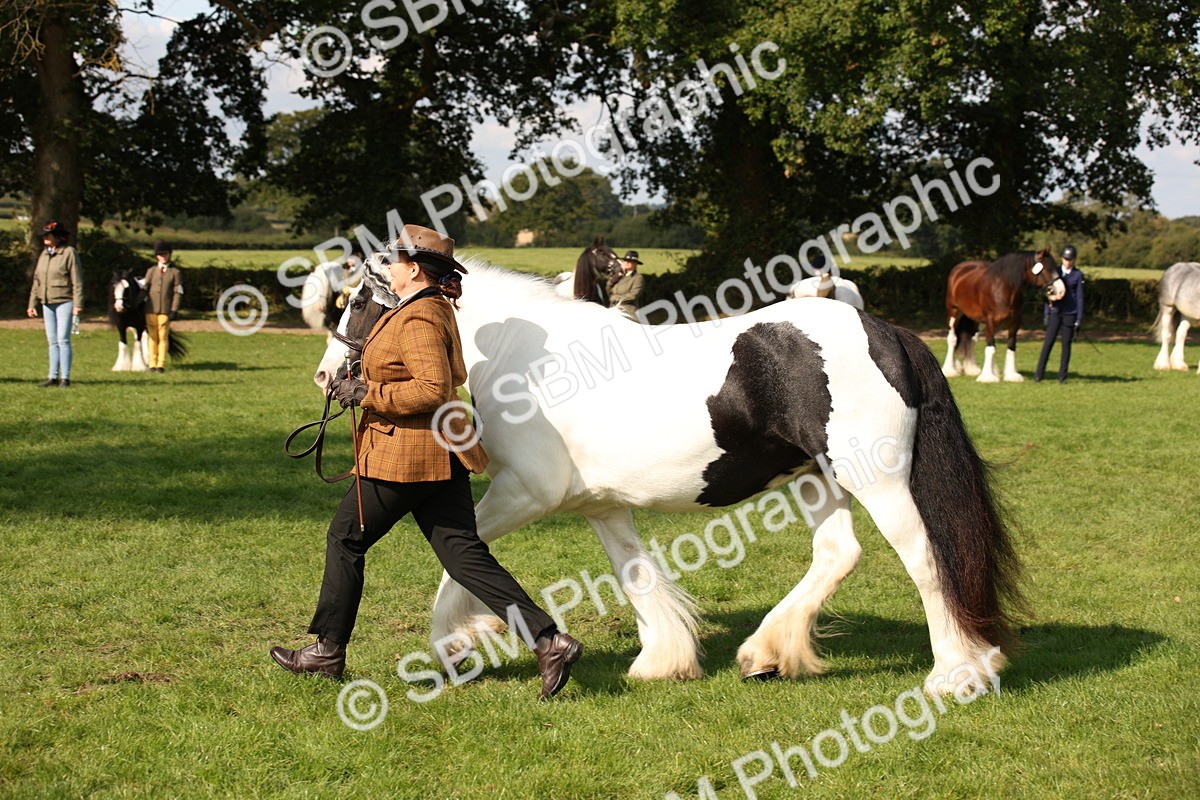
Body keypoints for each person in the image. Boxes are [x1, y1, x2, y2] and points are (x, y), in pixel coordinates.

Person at [270, 224, 582, 700]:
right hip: (441, 453)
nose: (388, 268)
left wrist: (366, 392)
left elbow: (433, 387)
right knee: (464, 555)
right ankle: (548, 640)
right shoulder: (428, 308)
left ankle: (327, 651)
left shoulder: (417, 316)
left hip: (407, 456)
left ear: (413, 269)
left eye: (394, 261)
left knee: (345, 538)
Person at [27, 221, 83, 387]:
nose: (45, 237)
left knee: (63, 340)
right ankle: (52, 376)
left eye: (48, 235)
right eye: (44, 235)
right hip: (47, 302)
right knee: (52, 340)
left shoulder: (69, 253)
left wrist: (78, 304)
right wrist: (32, 303)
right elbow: (37, 281)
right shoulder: (43, 255)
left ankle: (65, 377)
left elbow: (77, 280)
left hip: (64, 300)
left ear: (58, 237)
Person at [1034, 244, 1085, 384]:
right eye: (1065, 259)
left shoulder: (1078, 275)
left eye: (1070, 260)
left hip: (1070, 313)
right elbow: (1048, 293)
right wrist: (1046, 313)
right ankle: (1039, 374)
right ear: (1062, 258)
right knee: (1048, 343)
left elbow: (1080, 297)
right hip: (1055, 311)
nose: (1067, 262)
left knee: (1066, 346)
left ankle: (1062, 377)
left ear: (1074, 260)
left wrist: (1079, 318)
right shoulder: (1055, 272)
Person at [143, 241, 183, 373]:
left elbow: (178, 292)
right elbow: (145, 288)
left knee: (163, 337)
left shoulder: (175, 272)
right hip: (150, 309)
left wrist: (174, 309)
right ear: (156, 256)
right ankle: (152, 363)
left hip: (165, 309)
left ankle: (161, 364)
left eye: (165, 254)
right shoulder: (151, 271)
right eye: (160, 254)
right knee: (152, 337)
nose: (163, 257)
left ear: (170, 254)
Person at [607, 250, 645, 318]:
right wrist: (612, 281)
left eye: (630, 261)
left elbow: (633, 296)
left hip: (628, 312)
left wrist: (614, 298)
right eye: (625, 260)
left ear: (635, 264)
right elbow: (608, 291)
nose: (627, 262)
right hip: (613, 310)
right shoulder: (620, 276)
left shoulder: (638, 278)